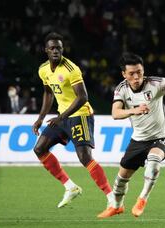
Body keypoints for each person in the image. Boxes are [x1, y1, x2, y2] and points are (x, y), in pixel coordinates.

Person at [97, 53, 165, 218]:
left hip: (161, 137)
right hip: (138, 140)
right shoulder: (121, 89)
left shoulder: (156, 83)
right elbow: (115, 113)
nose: (136, 77)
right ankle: (116, 206)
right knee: (121, 178)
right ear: (124, 74)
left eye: (139, 72)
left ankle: (142, 198)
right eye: (131, 74)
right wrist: (133, 110)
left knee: (153, 162)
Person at [32, 32, 113, 213]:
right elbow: (48, 93)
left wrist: (61, 117)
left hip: (81, 114)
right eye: (52, 48)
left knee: (85, 157)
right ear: (46, 50)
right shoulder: (43, 69)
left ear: (63, 49)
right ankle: (70, 187)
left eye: (59, 48)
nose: (55, 51)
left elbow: (83, 97)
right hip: (62, 116)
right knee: (39, 148)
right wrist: (40, 118)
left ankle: (111, 197)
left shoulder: (71, 69)